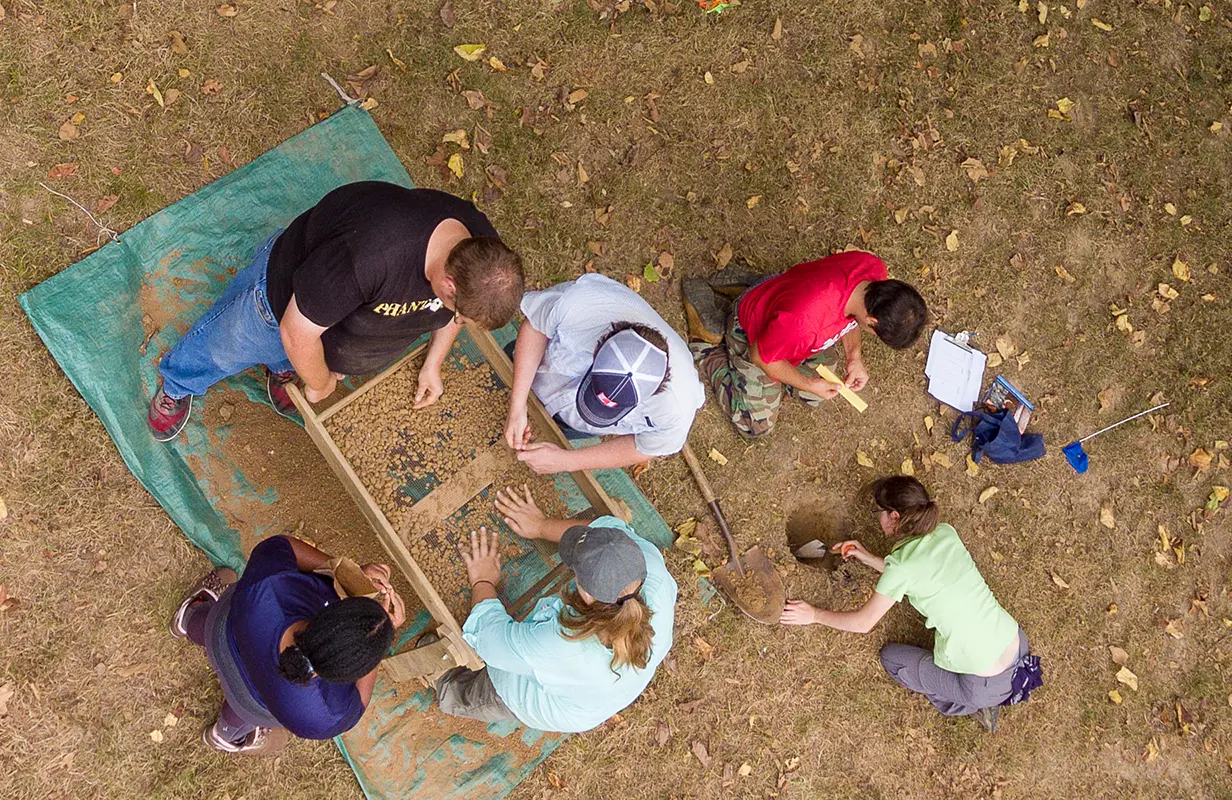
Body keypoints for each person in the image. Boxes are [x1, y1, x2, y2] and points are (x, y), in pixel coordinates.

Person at [147, 181, 525, 441]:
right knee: (226, 344)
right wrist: (321, 382)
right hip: (280, 304)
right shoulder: (371, 254)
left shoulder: (479, 253)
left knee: (296, 353)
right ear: (449, 284)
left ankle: (285, 367)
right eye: (456, 314)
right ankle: (180, 382)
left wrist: (433, 363)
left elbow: (451, 313)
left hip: (327, 319)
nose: (453, 321)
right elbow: (296, 332)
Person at [779, 476, 1040, 732]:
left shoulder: (902, 567)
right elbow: (916, 575)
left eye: (878, 512)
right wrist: (867, 557)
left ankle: (970, 704)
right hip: (1015, 641)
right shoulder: (945, 532)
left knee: (893, 659)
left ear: (894, 517)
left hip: (984, 683)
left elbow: (863, 623)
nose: (876, 517)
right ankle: (988, 693)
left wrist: (813, 614)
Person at [430, 486, 677, 732]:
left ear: (587, 594)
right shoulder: (647, 561)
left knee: (484, 693)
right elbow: (604, 531)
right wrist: (540, 525)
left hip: (558, 705)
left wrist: (483, 579)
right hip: (615, 683)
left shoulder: (563, 645)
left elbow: (488, 640)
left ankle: (447, 689)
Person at [169, 535, 406, 754]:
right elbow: (360, 700)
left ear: (328, 609)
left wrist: (351, 578)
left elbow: (284, 546)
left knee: (210, 627)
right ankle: (226, 735)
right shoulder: (324, 716)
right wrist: (382, 635)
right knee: (247, 705)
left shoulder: (267, 587)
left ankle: (188, 618)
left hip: (225, 633)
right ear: (350, 672)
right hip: (255, 704)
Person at [687, 251, 926, 438]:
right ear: (871, 320)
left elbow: (851, 322)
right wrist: (809, 383)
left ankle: (760, 286)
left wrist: (854, 357)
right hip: (753, 333)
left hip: (787, 307)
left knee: (816, 396)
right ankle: (708, 345)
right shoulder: (805, 323)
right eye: (875, 333)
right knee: (756, 425)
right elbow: (760, 355)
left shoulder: (873, 270)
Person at [502, 274, 705, 475]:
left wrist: (565, 461)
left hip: (571, 420)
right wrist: (518, 404)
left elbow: (646, 446)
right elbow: (537, 326)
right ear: (601, 345)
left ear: (656, 390)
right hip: (530, 373)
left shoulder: (677, 409)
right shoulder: (582, 304)